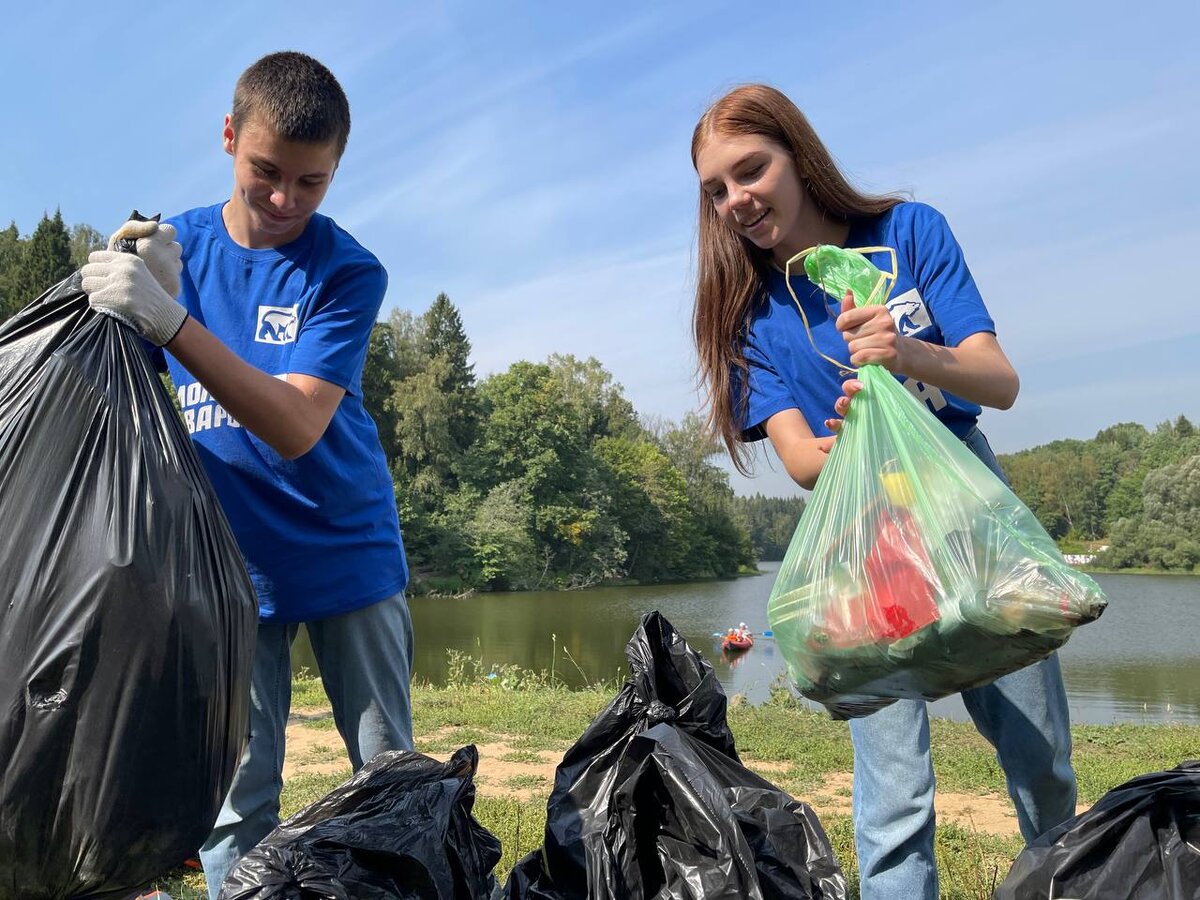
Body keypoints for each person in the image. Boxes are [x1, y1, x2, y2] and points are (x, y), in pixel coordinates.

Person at [690, 84, 1077, 899]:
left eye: (750, 169)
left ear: (798, 153)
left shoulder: (910, 231)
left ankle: (1068, 881)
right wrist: (851, 437)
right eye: (715, 190)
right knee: (893, 786)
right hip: (861, 536)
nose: (736, 200)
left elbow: (998, 382)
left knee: (1038, 755)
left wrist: (906, 356)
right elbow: (800, 459)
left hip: (965, 502)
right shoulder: (748, 315)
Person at [80, 51, 413, 897]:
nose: (283, 200)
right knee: (238, 797)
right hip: (230, 574)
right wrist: (127, 309)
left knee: (389, 778)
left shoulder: (348, 271)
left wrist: (170, 321)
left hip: (348, 557)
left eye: (312, 182)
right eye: (266, 171)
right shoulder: (173, 249)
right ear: (229, 137)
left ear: (336, 170)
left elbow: (299, 426)